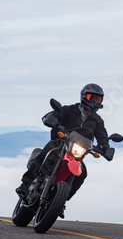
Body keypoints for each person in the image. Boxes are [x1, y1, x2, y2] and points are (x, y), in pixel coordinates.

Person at [15, 84, 110, 213]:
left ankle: (61, 201)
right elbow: (53, 115)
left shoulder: (97, 121)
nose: (94, 101)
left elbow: (102, 135)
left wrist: (105, 146)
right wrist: (53, 120)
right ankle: (25, 185)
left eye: (97, 99)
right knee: (46, 154)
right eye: (91, 97)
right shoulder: (68, 110)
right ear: (83, 96)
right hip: (59, 143)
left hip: (77, 152)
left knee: (82, 174)